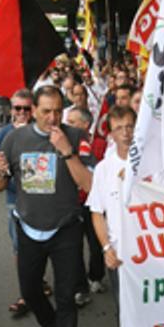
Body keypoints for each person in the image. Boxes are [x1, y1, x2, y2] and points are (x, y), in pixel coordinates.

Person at [0, 86, 94, 327]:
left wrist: (65, 150)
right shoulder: (14, 139)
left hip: (65, 229)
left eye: (57, 111)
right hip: (29, 229)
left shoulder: (74, 138)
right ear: (34, 110)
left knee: (66, 300)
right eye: (46, 110)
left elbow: (89, 185)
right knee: (31, 291)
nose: (52, 117)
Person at [87, 105, 138, 327]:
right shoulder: (104, 170)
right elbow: (97, 213)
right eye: (119, 128)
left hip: (152, 253)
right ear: (111, 133)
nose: (126, 133)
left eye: (130, 126)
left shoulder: (151, 163)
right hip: (120, 254)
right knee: (124, 309)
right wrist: (106, 247)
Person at [0, 89, 34, 317]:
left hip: (40, 201)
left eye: (26, 109)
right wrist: (0, 170)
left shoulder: (42, 133)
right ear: (11, 110)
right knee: (19, 247)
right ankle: (25, 293)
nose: (21, 113)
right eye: (17, 108)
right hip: (14, 200)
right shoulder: (3, 134)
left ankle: (38, 283)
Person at [63, 106, 103, 306]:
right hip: (72, 203)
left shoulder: (95, 143)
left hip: (93, 202)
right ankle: (80, 287)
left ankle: (95, 276)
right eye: (67, 121)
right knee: (73, 247)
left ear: (85, 124)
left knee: (96, 243)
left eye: (72, 121)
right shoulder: (61, 142)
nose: (67, 125)